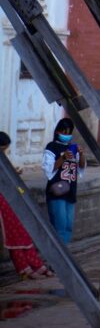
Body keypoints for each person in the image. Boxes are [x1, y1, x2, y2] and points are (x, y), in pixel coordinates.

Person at [0, 132, 52, 279]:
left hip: (12, 195)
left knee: (24, 229)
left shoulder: (3, 160)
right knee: (13, 233)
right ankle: (24, 268)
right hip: (3, 199)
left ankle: (36, 264)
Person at [42, 117, 85, 245]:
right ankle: (58, 259)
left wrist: (81, 154)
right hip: (57, 192)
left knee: (68, 227)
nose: (66, 135)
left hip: (71, 191)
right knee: (59, 227)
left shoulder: (73, 147)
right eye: (64, 132)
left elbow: (81, 167)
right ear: (57, 132)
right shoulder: (51, 147)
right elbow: (49, 169)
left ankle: (64, 255)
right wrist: (63, 157)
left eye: (69, 133)